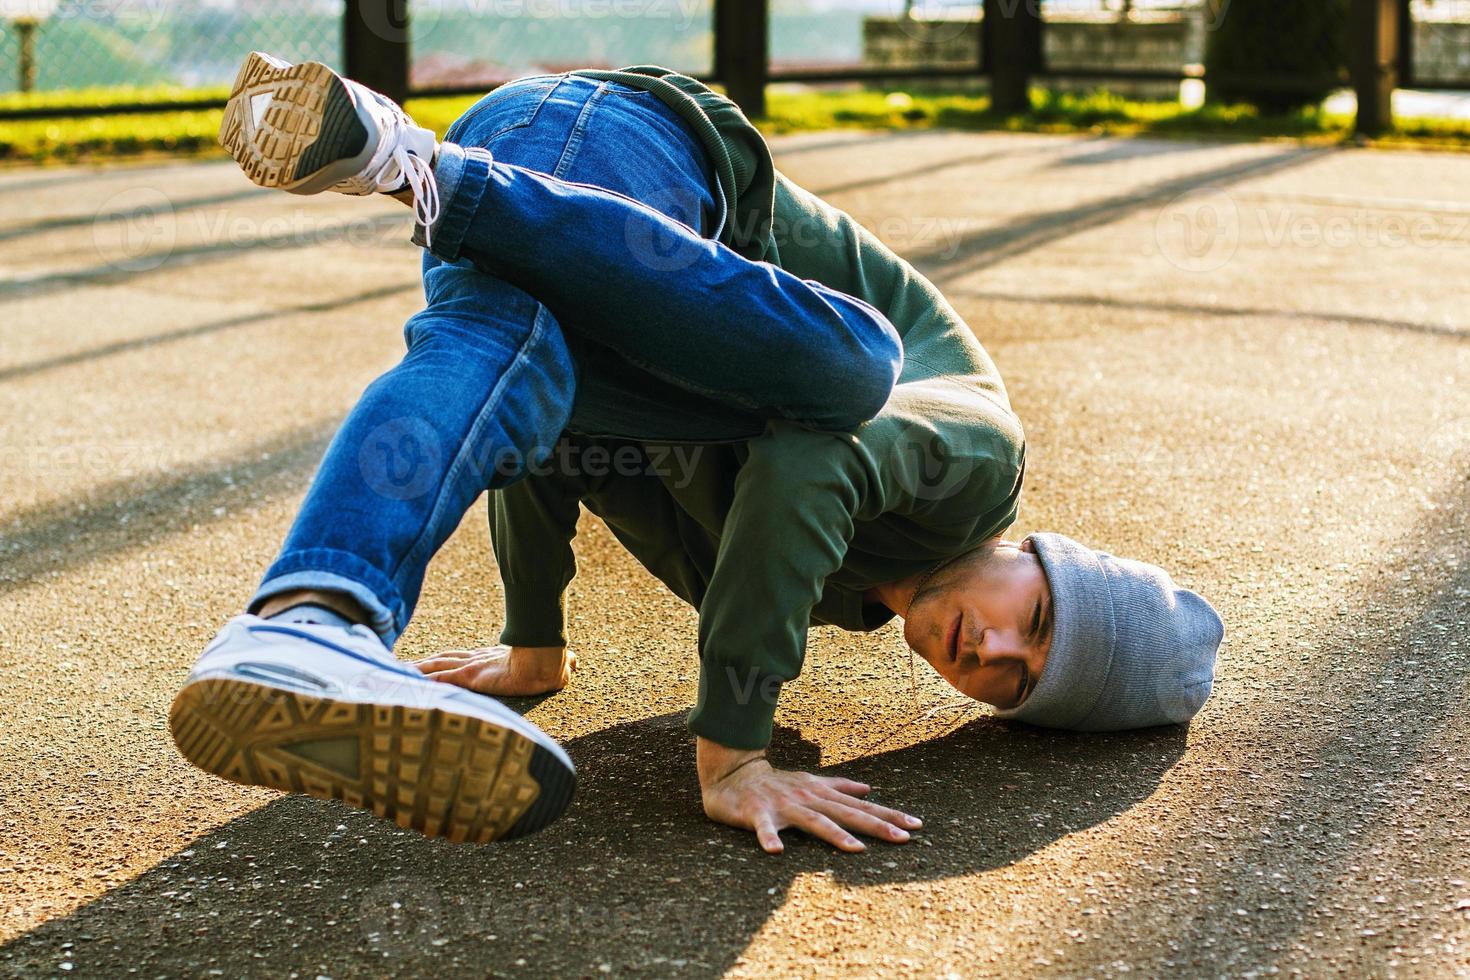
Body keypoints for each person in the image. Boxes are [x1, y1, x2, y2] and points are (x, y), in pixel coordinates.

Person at [170, 52, 1224, 854]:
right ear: (1036, 553)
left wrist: (533, 641)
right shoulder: (974, 460)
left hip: (534, 185)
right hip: (633, 147)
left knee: (520, 379)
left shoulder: (833, 586)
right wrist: (735, 747)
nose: (993, 653)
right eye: (1033, 619)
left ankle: (311, 620)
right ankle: (429, 170)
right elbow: (813, 470)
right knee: (856, 365)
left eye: (1012, 685)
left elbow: (566, 463)